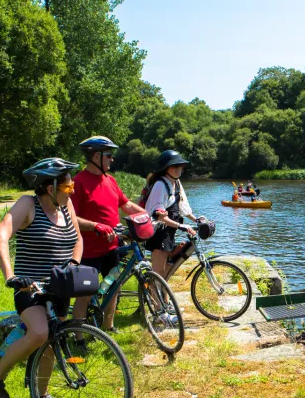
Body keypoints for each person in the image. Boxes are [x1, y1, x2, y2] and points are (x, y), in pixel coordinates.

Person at [0, 158, 83, 398]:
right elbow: (1, 236)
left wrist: (73, 263)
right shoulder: (28, 205)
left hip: (60, 286)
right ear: (50, 188)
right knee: (40, 332)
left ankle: (41, 393)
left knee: (53, 338)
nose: (72, 190)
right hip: (30, 288)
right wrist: (11, 276)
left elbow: (78, 238)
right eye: (68, 187)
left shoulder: (66, 206)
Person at [71, 136, 146, 334]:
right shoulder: (78, 183)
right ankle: (79, 336)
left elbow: (126, 204)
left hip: (112, 248)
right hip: (88, 252)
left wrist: (147, 215)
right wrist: (96, 225)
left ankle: (108, 327)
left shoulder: (110, 180)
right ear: (96, 156)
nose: (112, 160)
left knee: (114, 288)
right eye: (109, 156)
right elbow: (70, 218)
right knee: (85, 295)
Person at [144, 150, 205, 281]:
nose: (179, 169)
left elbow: (182, 207)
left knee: (166, 272)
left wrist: (196, 219)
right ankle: (155, 301)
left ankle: (164, 301)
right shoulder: (160, 185)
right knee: (158, 274)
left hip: (169, 232)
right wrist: (181, 226)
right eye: (175, 166)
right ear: (166, 168)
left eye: (180, 166)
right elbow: (159, 215)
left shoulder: (176, 182)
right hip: (159, 234)